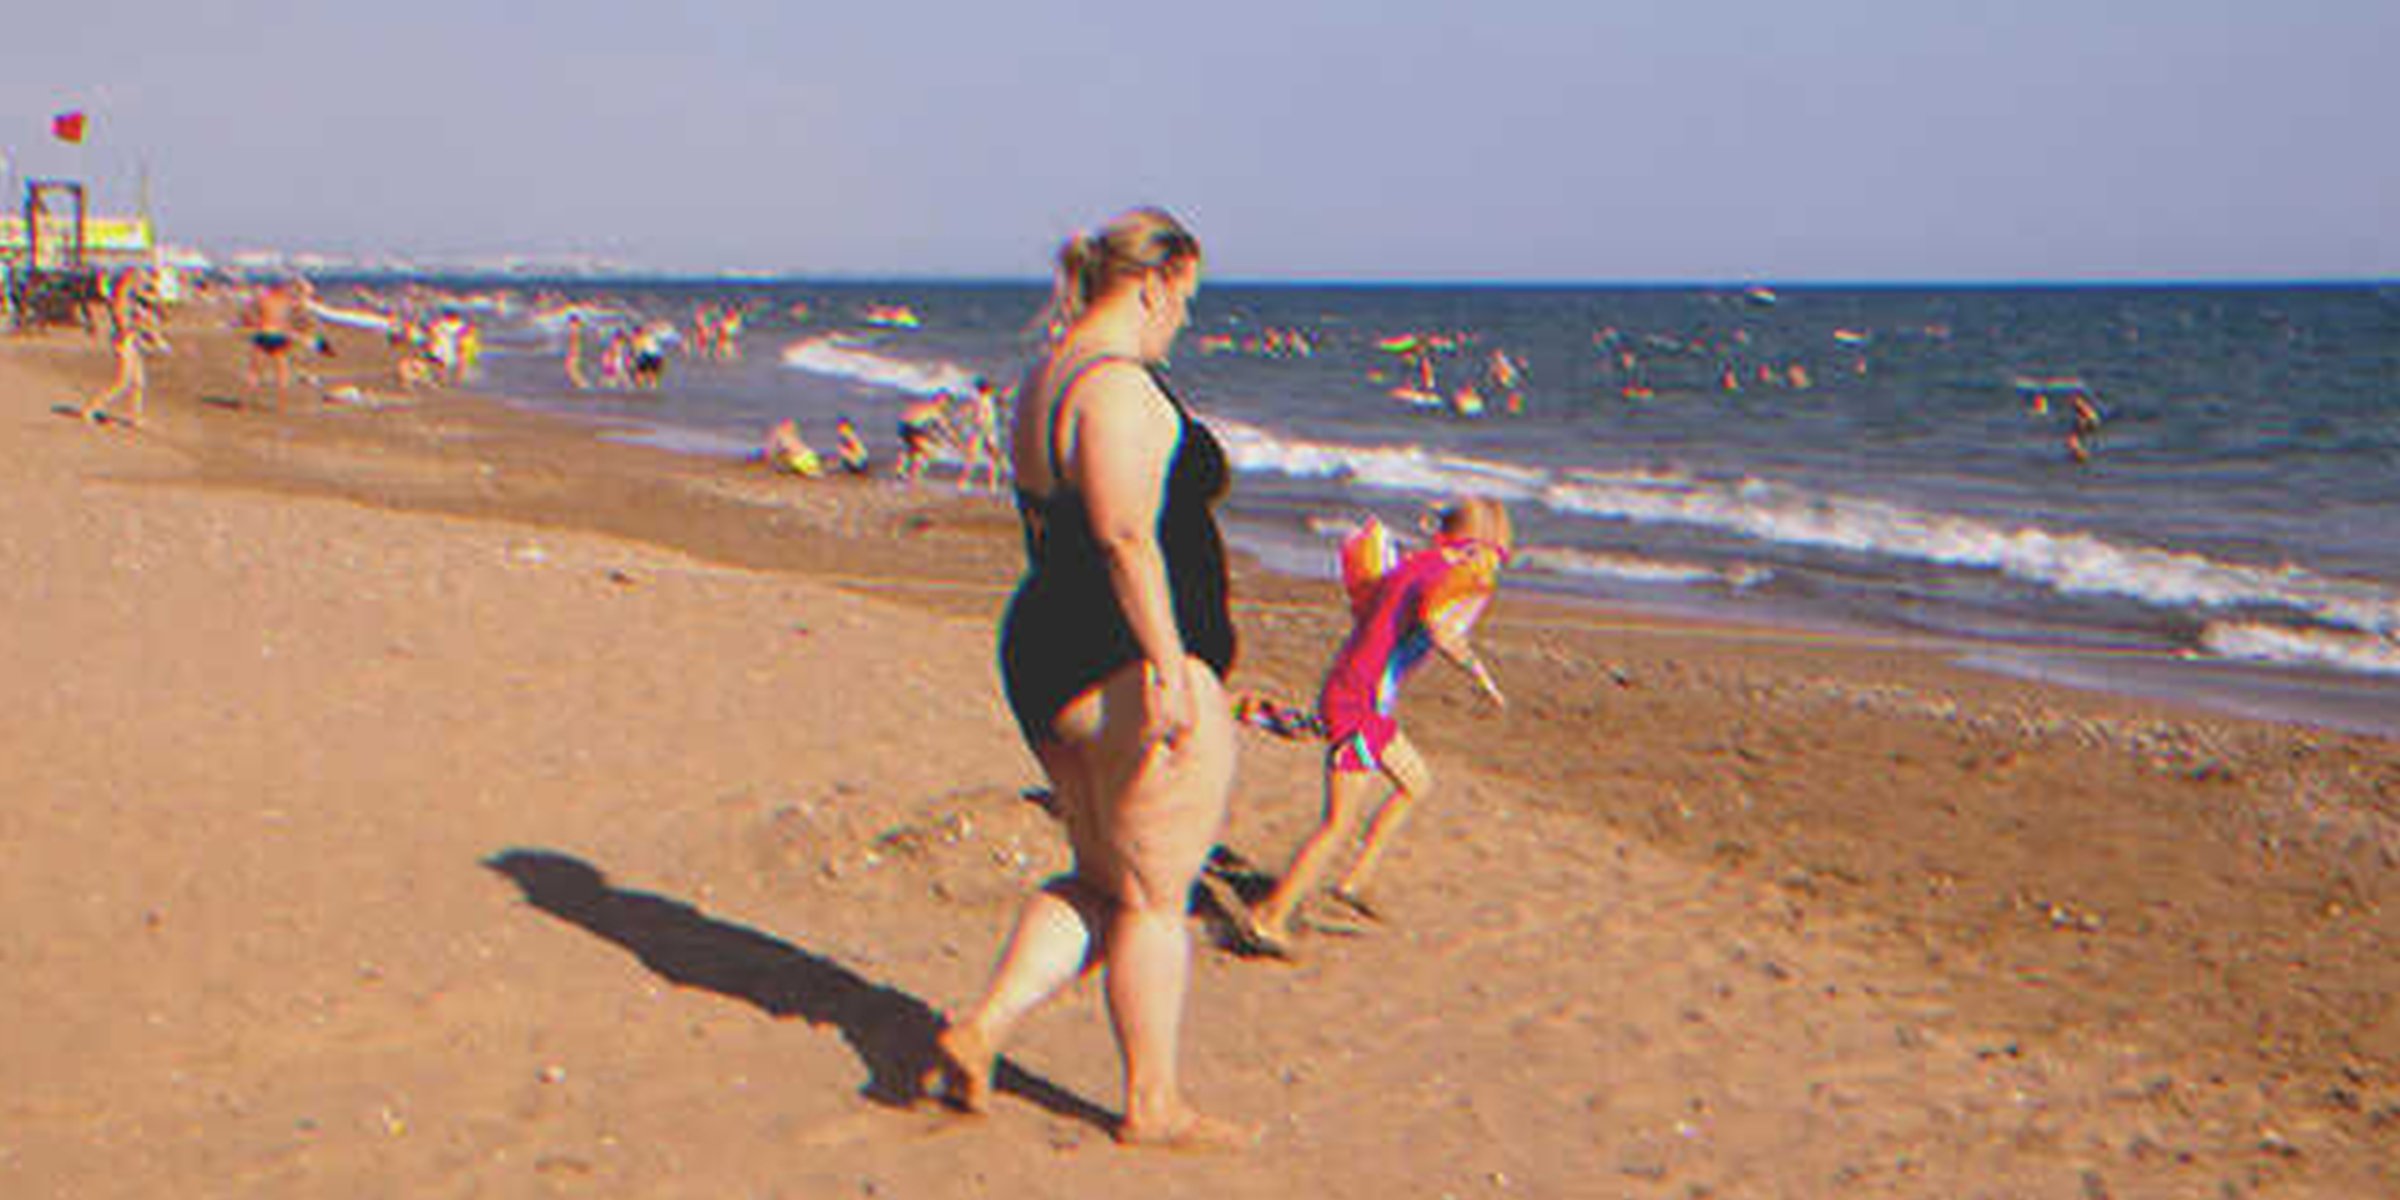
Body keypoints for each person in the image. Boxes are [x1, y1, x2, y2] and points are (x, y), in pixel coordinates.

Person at [925, 207, 1250, 1150]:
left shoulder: (1046, 374)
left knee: (1104, 881)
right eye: (1185, 299)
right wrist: (1170, 671)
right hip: (1120, 659)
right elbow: (1120, 533)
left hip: (1046, 651)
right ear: (1161, 280)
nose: (1183, 319)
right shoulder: (1114, 385)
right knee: (1157, 898)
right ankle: (1153, 1104)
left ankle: (980, 1031)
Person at [1236, 498, 1512, 956]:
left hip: (1362, 699)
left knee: (1416, 782)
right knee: (1337, 823)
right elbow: (1441, 629)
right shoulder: (1449, 574)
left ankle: (1353, 882)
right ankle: (1269, 917)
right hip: (1360, 705)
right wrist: (1482, 678)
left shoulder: (1418, 563)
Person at [82, 267, 165, 427]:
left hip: (130, 339)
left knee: (139, 381)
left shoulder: (128, 300)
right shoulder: (122, 301)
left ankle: (136, 416)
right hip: (124, 340)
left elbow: (146, 307)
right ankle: (92, 407)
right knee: (123, 381)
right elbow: (123, 322)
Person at [956, 376, 1008, 494]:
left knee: (982, 458)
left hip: (984, 430)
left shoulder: (983, 399)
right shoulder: (983, 400)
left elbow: (976, 416)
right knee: (988, 459)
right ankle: (990, 485)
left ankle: (988, 484)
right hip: (985, 431)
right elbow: (981, 417)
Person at [894, 393, 958, 486]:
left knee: (909, 452)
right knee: (929, 453)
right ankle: (913, 476)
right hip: (913, 429)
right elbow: (945, 429)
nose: (947, 406)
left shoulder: (923, 405)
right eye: (947, 403)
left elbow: (909, 417)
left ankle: (901, 474)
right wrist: (955, 442)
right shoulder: (935, 411)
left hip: (903, 427)